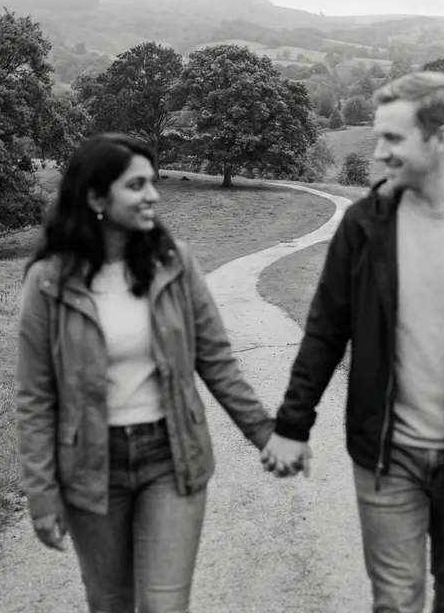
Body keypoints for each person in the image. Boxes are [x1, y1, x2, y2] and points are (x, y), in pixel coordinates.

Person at [260, 71, 444, 613]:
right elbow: (326, 330)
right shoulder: (364, 223)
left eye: (392, 139)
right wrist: (292, 426)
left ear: (439, 138)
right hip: (385, 453)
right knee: (395, 601)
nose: (377, 153)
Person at [16, 133, 274, 613]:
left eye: (152, 183)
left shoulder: (173, 263)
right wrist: (42, 494)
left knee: (164, 604)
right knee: (111, 601)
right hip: (92, 465)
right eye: (136, 185)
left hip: (169, 455)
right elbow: (35, 396)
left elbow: (216, 361)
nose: (153, 195)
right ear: (96, 197)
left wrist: (266, 434)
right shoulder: (48, 280)